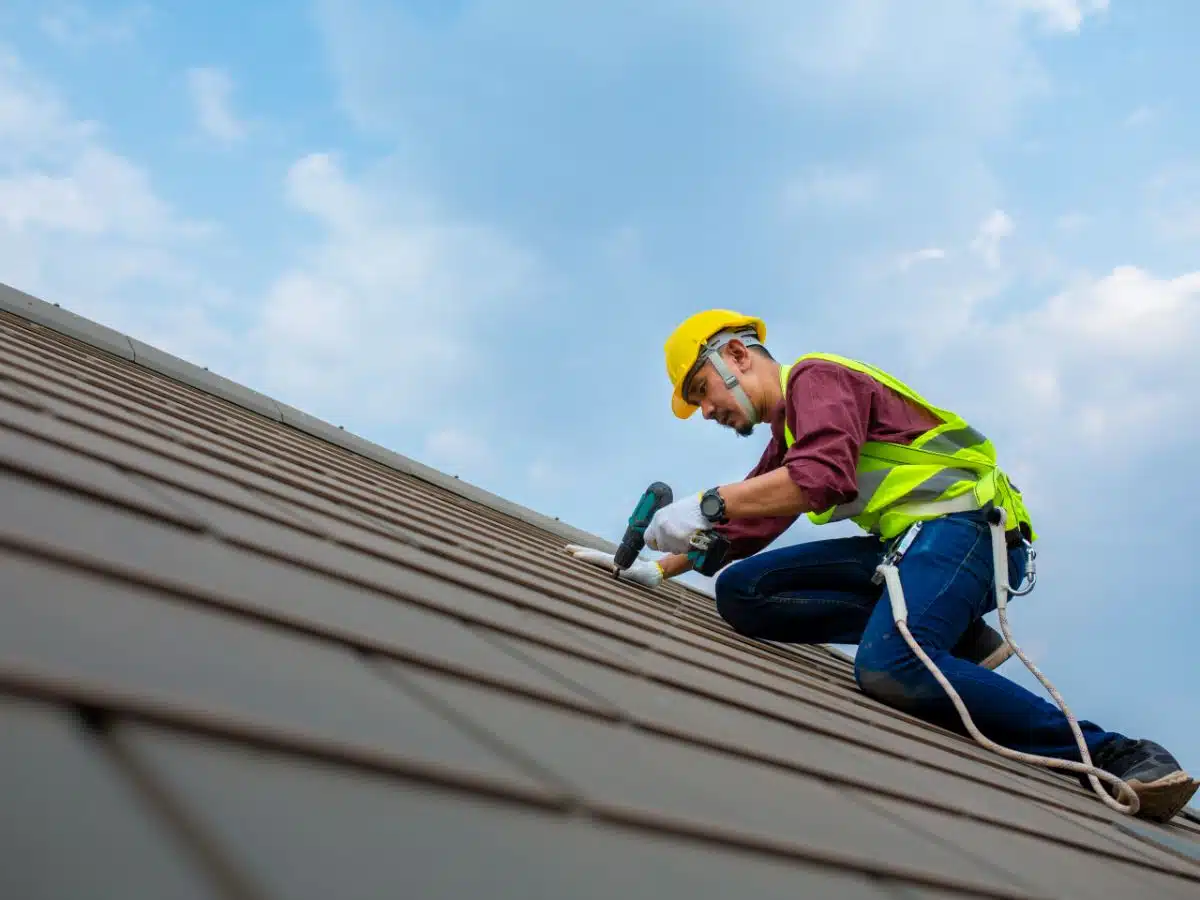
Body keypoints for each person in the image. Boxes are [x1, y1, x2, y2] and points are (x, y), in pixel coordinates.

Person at [565, 308, 1198, 822]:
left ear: (735, 357)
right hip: (913, 549)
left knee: (889, 667)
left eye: (702, 391)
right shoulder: (787, 435)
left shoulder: (817, 380)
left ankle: (1117, 753)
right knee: (742, 590)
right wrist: (660, 570)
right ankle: (952, 638)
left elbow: (817, 479)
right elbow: (747, 524)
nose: (707, 411)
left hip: (968, 531)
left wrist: (709, 502)